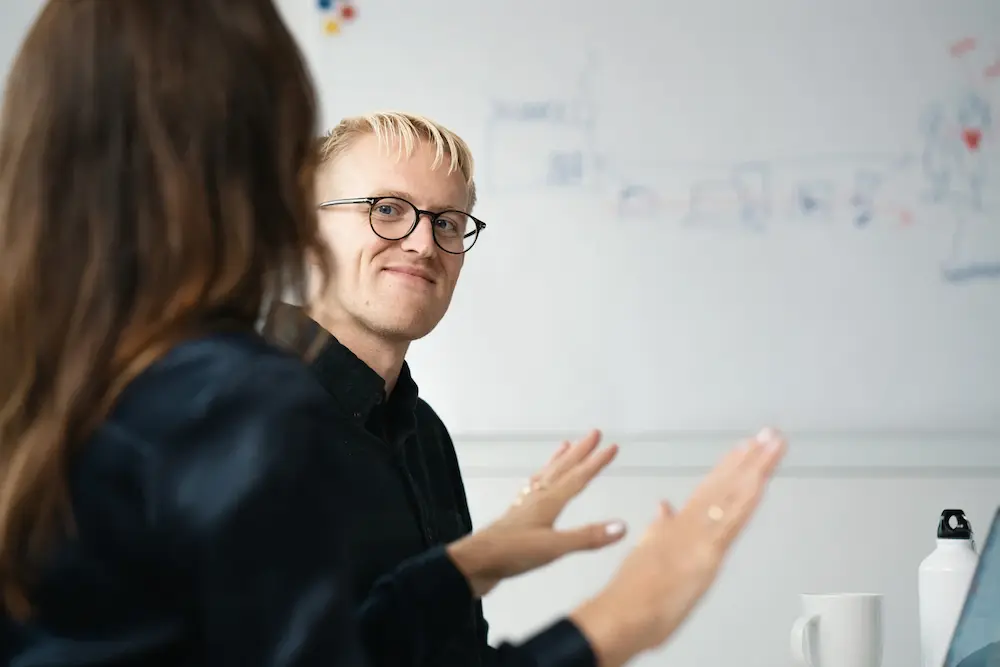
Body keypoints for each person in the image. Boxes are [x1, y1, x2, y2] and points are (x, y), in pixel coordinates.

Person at [0, 2, 787, 667]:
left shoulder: (423, 439)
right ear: (294, 213)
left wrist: (468, 564)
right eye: (385, 209)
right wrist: (623, 616)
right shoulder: (235, 403)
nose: (420, 241)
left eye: (447, 222)